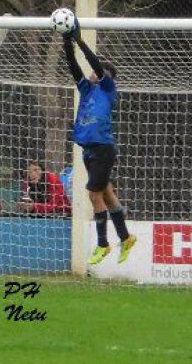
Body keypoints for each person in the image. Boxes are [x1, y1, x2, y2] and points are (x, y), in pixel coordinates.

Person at [62, 18, 135, 265]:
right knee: (108, 195)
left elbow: (95, 64)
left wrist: (80, 41)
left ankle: (103, 244)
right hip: (88, 150)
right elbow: (73, 67)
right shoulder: (86, 90)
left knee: (94, 196)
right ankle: (125, 238)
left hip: (103, 148)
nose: (92, 73)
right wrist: (66, 41)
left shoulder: (107, 89)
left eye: (98, 72)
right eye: (93, 72)